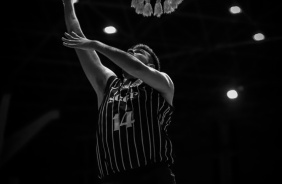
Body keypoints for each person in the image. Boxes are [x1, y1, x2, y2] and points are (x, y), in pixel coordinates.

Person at [62, 0, 176, 184]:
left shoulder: (162, 83)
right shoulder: (108, 86)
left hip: (152, 175)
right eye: (129, 50)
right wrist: (68, 4)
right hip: (113, 178)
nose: (130, 50)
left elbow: (136, 68)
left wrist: (97, 45)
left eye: (137, 51)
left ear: (151, 65)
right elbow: (78, 39)